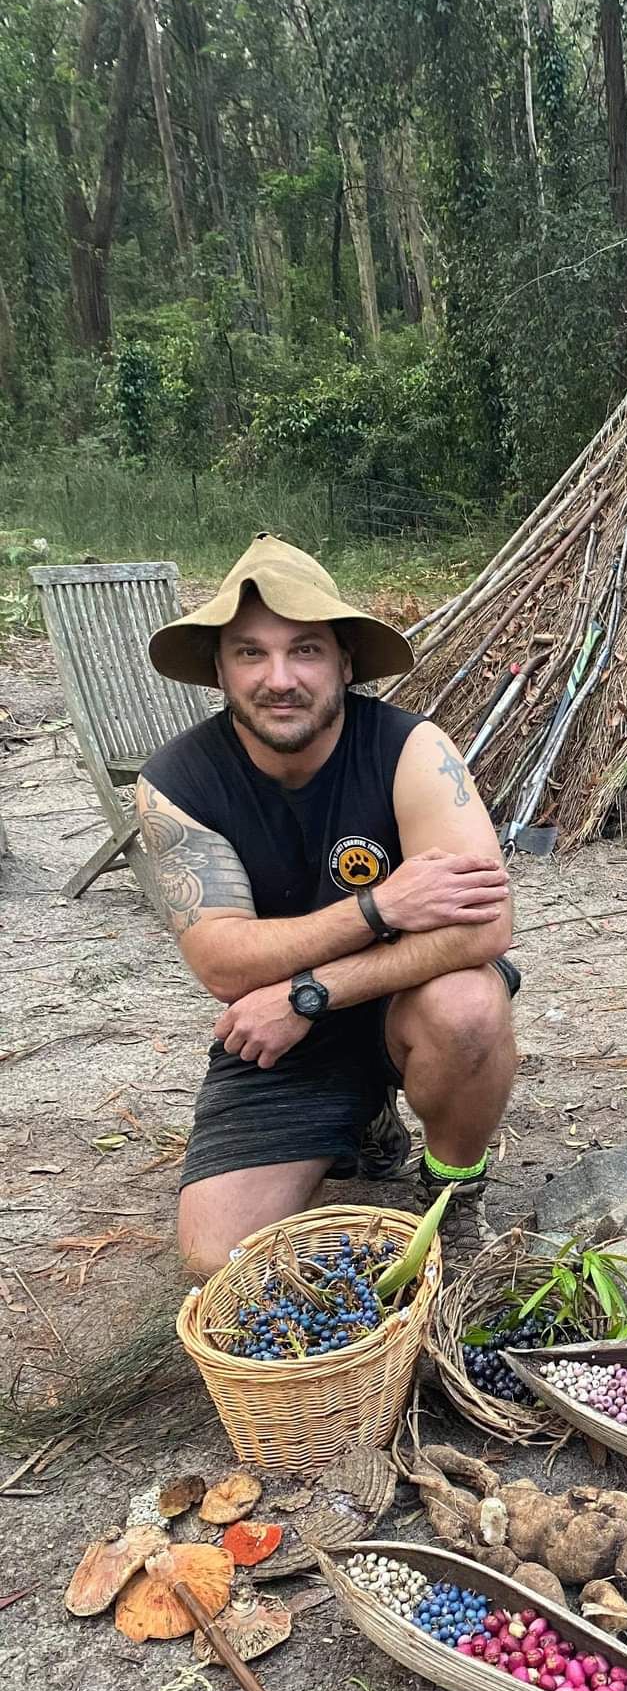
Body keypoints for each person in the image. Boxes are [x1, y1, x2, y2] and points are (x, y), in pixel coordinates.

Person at [135, 532, 519, 1273]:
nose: (280, 678)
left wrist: (311, 992)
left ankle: (451, 1192)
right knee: (216, 1261)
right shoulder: (176, 782)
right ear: (218, 668)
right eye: (251, 653)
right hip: (279, 1031)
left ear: (345, 661)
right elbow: (221, 964)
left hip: (387, 1000)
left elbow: (487, 926)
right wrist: (378, 907)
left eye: (305, 650)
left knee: (468, 1005)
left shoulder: (413, 750)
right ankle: (365, 1118)